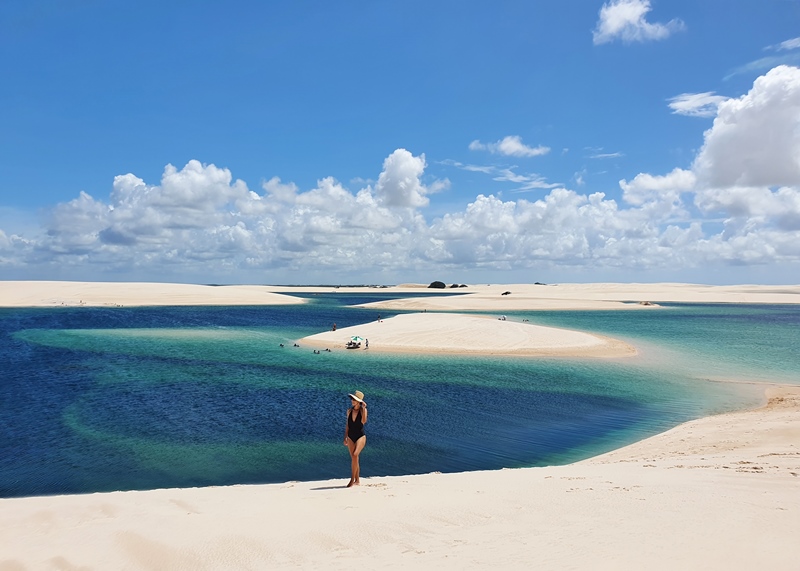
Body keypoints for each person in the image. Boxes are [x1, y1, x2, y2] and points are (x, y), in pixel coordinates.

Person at [343, 390, 367, 487]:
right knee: (354, 458)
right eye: (352, 399)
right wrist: (345, 437)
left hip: (360, 436)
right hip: (350, 436)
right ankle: (357, 480)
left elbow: (364, 421)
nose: (352, 401)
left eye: (354, 399)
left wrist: (364, 408)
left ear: (359, 401)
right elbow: (347, 425)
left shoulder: (363, 411)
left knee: (355, 454)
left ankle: (352, 479)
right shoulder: (349, 411)